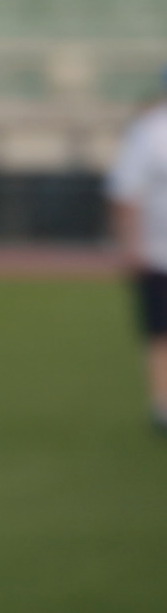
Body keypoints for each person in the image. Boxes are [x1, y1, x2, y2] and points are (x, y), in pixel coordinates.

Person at [107, 67, 167, 435]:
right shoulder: (149, 132)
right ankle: (163, 405)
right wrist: (131, 246)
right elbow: (125, 193)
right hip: (158, 253)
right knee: (160, 332)